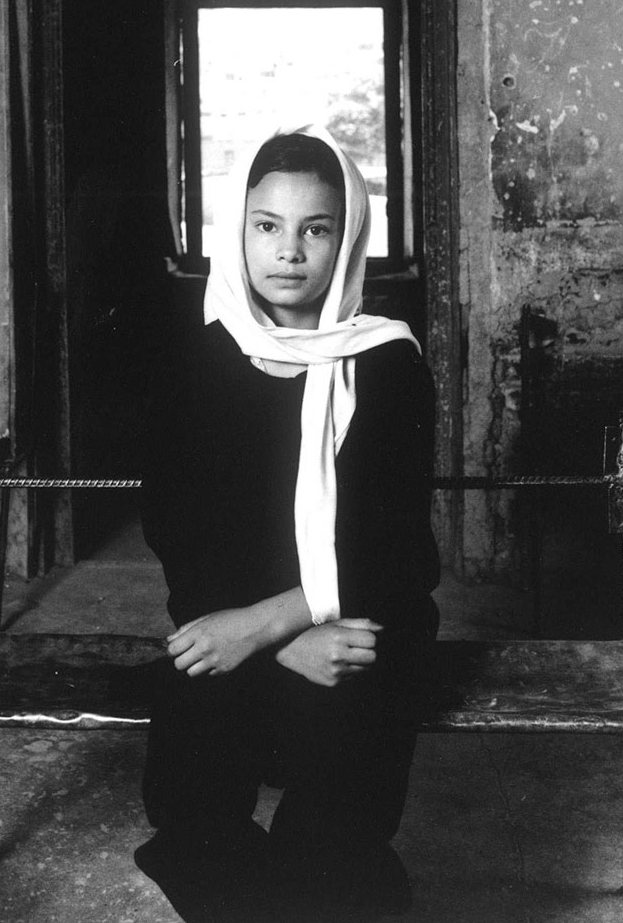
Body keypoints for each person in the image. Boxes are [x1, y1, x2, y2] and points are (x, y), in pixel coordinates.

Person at [135, 126, 439, 922]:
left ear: (347, 238)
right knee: (193, 799)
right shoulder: (194, 358)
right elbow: (180, 528)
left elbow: (395, 545)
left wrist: (278, 622)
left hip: (357, 623)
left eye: (316, 229)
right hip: (223, 609)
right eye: (267, 225)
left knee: (336, 823)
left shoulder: (389, 363)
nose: (289, 252)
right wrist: (260, 631)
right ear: (238, 231)